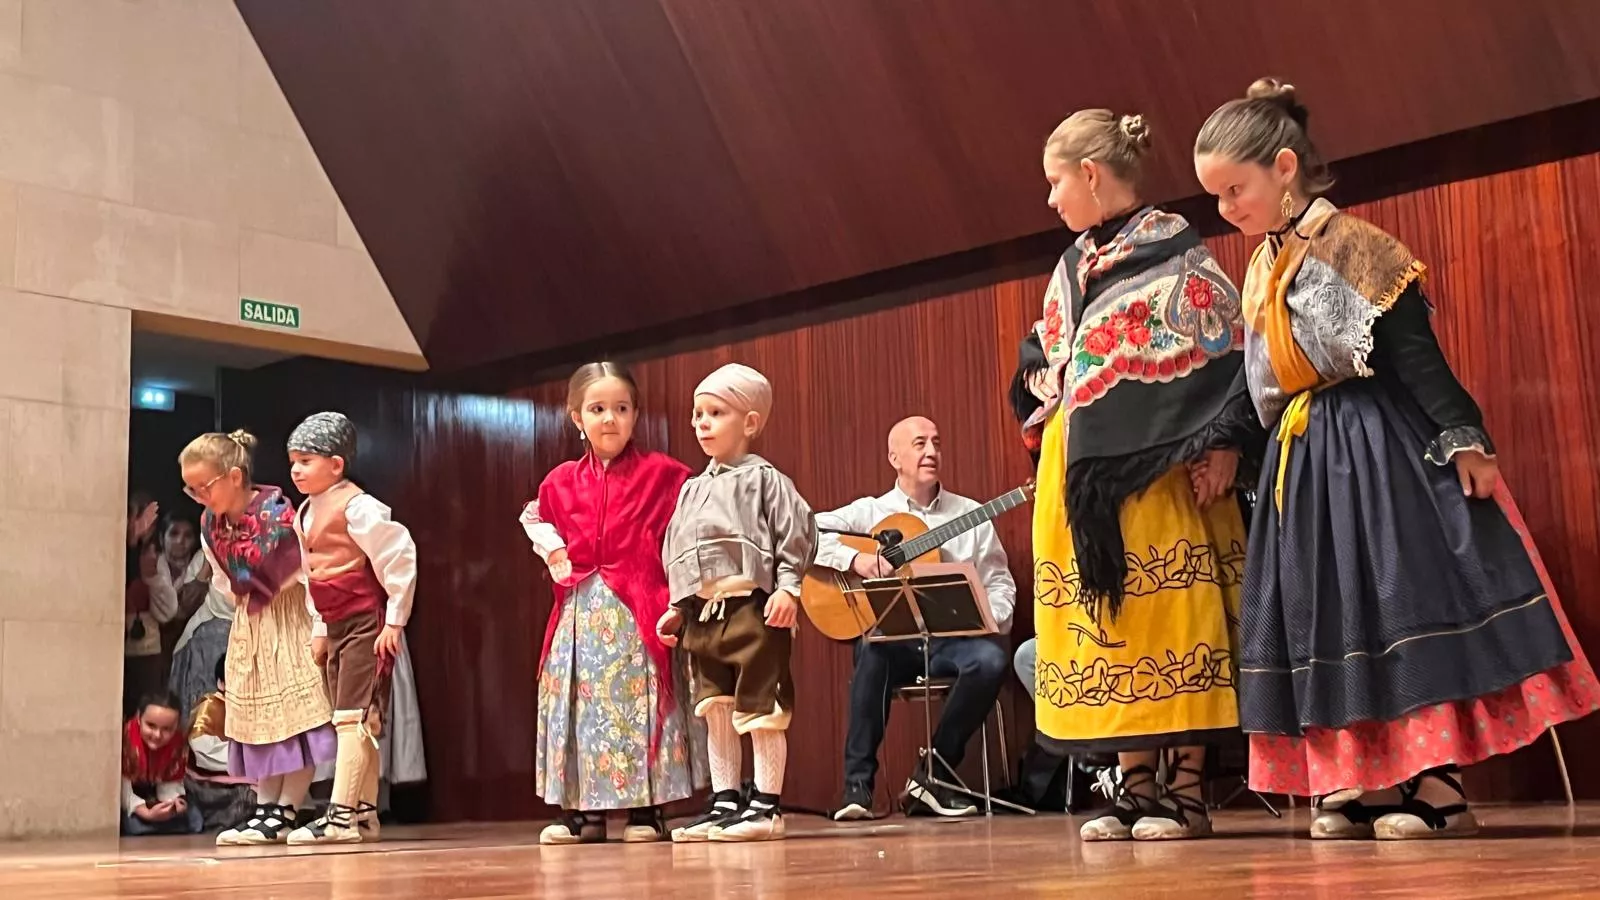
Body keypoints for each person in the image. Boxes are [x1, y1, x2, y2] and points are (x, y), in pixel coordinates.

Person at [1193, 78, 1600, 840]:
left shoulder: (1359, 247)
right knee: (1326, 613)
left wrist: (1466, 440)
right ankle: (1361, 776)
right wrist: (1225, 446)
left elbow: (1415, 353)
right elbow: (1256, 383)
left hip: (1371, 450)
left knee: (1392, 598)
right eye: (1215, 197)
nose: (1226, 210)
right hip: (1305, 464)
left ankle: (1436, 783)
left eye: (1233, 190)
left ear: (1284, 167)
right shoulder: (1261, 266)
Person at [1011, 109, 1257, 841]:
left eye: (1056, 182)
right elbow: (1045, 351)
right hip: (1081, 479)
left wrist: (1224, 444)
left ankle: (1184, 791)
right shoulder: (1071, 267)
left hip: (1160, 479)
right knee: (1106, 622)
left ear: (1090, 174)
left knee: (1168, 622)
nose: (1052, 200)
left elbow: (1226, 358)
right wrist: (1037, 379)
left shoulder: (1177, 253)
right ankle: (1134, 785)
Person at [520, 362, 705, 845]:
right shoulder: (560, 481)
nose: (610, 419)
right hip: (581, 608)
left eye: (620, 409)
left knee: (641, 705)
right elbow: (535, 519)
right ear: (576, 417)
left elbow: (692, 531)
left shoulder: (664, 475)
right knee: (580, 707)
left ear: (635, 414)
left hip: (639, 605)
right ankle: (583, 810)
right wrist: (555, 549)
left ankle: (648, 807)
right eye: (597, 409)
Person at [814, 416, 1014, 820]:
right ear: (894, 457)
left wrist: (988, 617)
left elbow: (1000, 582)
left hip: (954, 641)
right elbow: (806, 533)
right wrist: (857, 559)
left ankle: (933, 778)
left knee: (991, 660)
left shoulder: (971, 514)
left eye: (937, 443)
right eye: (920, 443)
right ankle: (857, 787)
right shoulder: (871, 511)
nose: (931, 452)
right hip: (898, 640)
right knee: (872, 649)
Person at [658, 363, 817, 843]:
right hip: (705, 619)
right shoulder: (691, 489)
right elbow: (680, 552)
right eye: (697, 413)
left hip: (753, 609)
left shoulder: (767, 480)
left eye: (716, 412)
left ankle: (766, 805)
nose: (702, 422)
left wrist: (788, 588)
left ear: (749, 422)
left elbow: (795, 536)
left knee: (760, 706)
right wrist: (680, 607)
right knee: (716, 708)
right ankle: (725, 800)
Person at [179, 430, 336, 846]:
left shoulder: (280, 518)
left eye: (203, 487)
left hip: (290, 619)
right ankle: (265, 807)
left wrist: (320, 629)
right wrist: (241, 604)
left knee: (295, 719)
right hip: (251, 623)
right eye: (190, 489)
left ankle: (288, 806)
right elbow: (220, 575)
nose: (198, 497)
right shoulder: (210, 524)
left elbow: (311, 576)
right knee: (257, 719)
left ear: (233, 476)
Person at [282, 412, 419, 845]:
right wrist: (320, 626)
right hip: (337, 623)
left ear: (336, 464)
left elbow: (398, 557)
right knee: (360, 716)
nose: (296, 470)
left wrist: (394, 620)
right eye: (293, 461)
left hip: (365, 621)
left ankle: (340, 815)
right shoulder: (305, 511)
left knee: (352, 716)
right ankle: (363, 812)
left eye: (306, 460)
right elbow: (311, 576)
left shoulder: (359, 506)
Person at [121, 692, 204, 835]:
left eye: (167, 729)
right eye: (151, 726)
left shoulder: (177, 743)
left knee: (195, 819)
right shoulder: (125, 739)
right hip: (134, 796)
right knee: (132, 826)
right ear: (139, 718)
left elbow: (172, 782)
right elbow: (122, 789)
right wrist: (146, 813)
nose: (158, 735)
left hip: (155, 796)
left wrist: (173, 803)